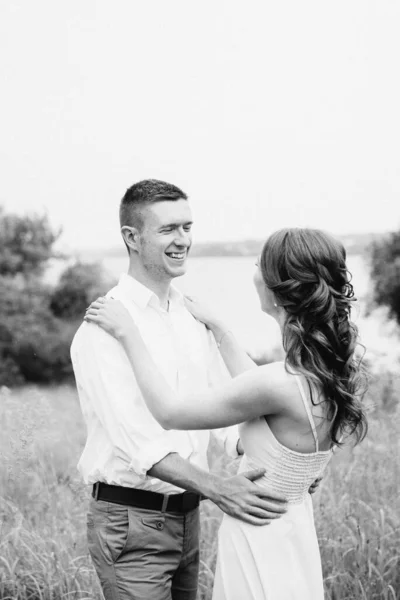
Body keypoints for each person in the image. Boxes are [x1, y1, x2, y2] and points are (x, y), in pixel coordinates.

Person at [85, 227, 368, 600]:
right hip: (291, 531)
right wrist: (220, 329)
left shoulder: (276, 383)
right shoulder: (320, 376)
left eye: (257, 264)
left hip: (257, 536)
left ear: (277, 286)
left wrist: (128, 334)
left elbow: (169, 412)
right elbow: (263, 393)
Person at [70, 179, 290, 600]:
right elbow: (136, 441)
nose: (183, 240)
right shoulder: (103, 328)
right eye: (169, 229)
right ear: (131, 238)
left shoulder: (191, 318)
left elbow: (221, 413)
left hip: (190, 518)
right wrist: (218, 487)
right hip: (132, 523)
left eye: (187, 227)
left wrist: (271, 457)